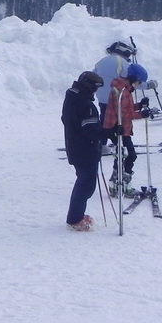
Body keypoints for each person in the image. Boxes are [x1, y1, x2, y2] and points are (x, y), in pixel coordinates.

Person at [61, 71, 104, 231]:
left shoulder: (72, 97)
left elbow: (65, 119)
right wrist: (109, 132)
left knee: (84, 182)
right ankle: (75, 219)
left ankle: (76, 216)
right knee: (86, 185)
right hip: (86, 150)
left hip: (75, 146)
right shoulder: (86, 105)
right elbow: (91, 131)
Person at [103, 62, 150, 198]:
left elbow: (125, 109)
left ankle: (116, 184)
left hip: (119, 127)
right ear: (134, 78)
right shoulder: (123, 91)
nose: (138, 85)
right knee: (129, 155)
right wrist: (141, 114)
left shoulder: (124, 88)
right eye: (138, 82)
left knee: (122, 155)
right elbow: (124, 114)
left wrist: (139, 105)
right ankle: (123, 184)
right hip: (118, 128)